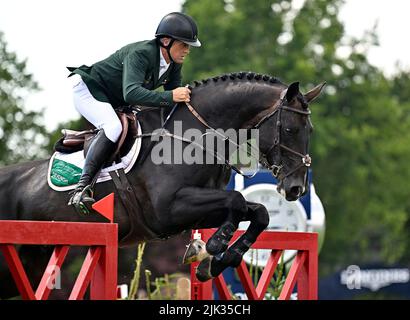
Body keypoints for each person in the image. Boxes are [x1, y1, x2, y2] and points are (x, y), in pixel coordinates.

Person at [67, 12, 201, 214]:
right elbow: (131, 93)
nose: (187, 50)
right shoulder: (142, 54)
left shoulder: (174, 63)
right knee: (113, 127)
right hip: (89, 90)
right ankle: (81, 188)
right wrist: (172, 96)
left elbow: (173, 99)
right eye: (184, 44)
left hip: (114, 97)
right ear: (166, 41)